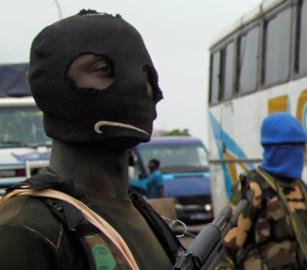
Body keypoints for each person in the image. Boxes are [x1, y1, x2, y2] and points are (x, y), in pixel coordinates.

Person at [0, 10, 183, 269]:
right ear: (51, 86)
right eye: (102, 69)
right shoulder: (24, 229)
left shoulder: (147, 217)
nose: (137, 86)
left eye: (145, 74)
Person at [219, 112, 307, 270]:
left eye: (301, 147)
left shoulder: (301, 188)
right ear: (275, 148)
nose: (299, 154)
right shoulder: (253, 189)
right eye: (292, 147)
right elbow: (225, 252)